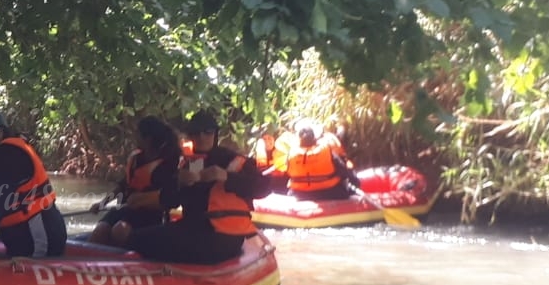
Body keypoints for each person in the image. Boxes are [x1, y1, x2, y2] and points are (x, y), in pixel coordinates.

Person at [123, 110, 272, 263]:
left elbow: (264, 188)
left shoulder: (233, 160)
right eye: (195, 133)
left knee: (138, 241)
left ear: (215, 134)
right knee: (133, 238)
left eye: (207, 132)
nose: (201, 137)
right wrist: (178, 183)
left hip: (226, 237)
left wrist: (226, 177)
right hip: (193, 230)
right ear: (190, 136)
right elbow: (171, 200)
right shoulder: (187, 163)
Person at [0, 110, 66, 258]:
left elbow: (0, 203)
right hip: (20, 239)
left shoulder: (9, 154)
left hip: (40, 236)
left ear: (4, 133)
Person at [90, 116, 181, 244]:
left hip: (149, 216)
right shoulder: (136, 159)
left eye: (137, 134)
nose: (134, 137)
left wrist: (141, 200)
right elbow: (123, 186)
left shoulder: (166, 164)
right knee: (101, 230)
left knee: (120, 230)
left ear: (148, 139)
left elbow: (168, 200)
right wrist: (103, 203)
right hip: (126, 209)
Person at [284, 119, 361, 201]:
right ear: (314, 138)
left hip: (299, 194)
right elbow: (345, 171)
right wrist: (355, 183)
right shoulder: (327, 151)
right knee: (345, 183)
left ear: (299, 140)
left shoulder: (291, 154)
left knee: (290, 192)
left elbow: (288, 173)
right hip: (328, 193)